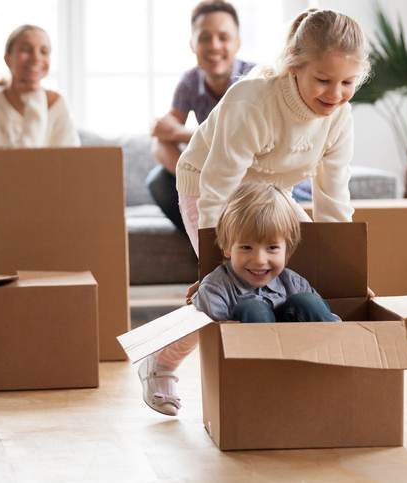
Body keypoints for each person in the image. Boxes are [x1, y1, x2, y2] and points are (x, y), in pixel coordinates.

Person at [139, 8, 371, 417]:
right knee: (229, 289)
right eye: (323, 80)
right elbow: (218, 186)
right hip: (211, 189)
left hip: (271, 192)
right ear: (295, 67)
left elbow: (333, 199)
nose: (335, 94)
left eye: (347, 83)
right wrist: (212, 267)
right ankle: (161, 361)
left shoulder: (339, 117)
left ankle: (297, 372)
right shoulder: (255, 98)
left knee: (306, 277)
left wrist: (349, 274)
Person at [147, 0, 254, 232]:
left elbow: (238, 140)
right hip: (215, 177)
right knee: (159, 182)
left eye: (223, 37)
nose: (214, 46)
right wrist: (196, 180)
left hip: (255, 174)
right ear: (192, 44)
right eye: (205, 38)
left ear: (237, 43)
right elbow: (160, 141)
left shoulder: (255, 78)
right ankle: (206, 250)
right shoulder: (189, 82)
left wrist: (178, 132)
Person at [193, 182, 340, 323]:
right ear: (227, 248)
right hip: (245, 347)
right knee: (253, 309)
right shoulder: (215, 289)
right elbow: (211, 336)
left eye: (272, 248)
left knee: (308, 302)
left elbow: (328, 318)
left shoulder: (294, 283)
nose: (259, 260)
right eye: (246, 247)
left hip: (298, 346)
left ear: (287, 251)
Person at [0, 24, 80, 147]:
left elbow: (70, 160)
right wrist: (35, 99)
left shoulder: (58, 103)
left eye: (44, 51)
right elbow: (10, 163)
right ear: (7, 59)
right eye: (26, 50)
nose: (36, 58)